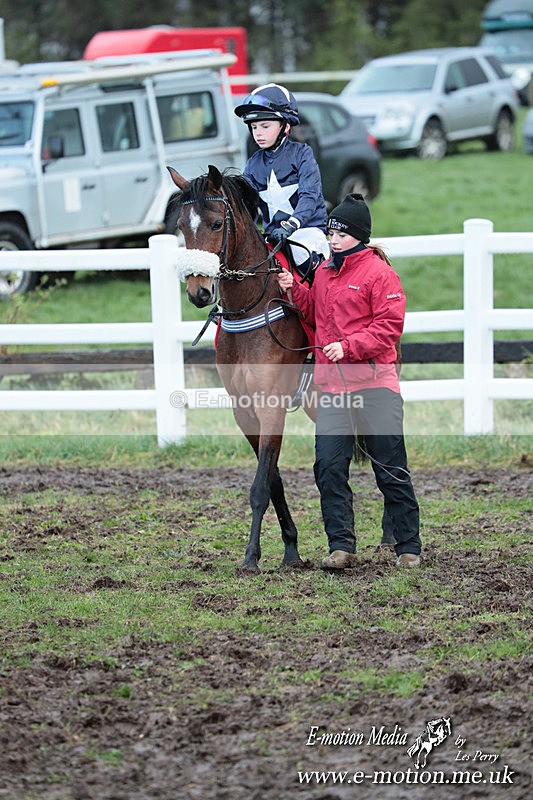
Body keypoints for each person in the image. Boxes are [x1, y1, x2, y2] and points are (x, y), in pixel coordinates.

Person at [277, 193, 421, 570]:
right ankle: (341, 546)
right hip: (333, 391)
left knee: (390, 469)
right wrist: (295, 289)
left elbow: (389, 327)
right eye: (330, 232)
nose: (333, 238)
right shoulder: (324, 272)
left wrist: (349, 346)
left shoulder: (380, 274)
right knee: (327, 467)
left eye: (340, 233)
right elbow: (317, 313)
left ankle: (408, 546)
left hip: (375, 387)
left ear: (358, 235)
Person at [234, 83, 329, 275]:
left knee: (301, 256)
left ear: (285, 126)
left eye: (265, 126)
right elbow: (246, 205)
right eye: (253, 127)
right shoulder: (253, 164)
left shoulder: (302, 154)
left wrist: (291, 225)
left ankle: (319, 299)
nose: (258, 133)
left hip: (307, 233)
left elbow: (309, 196)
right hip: (273, 238)